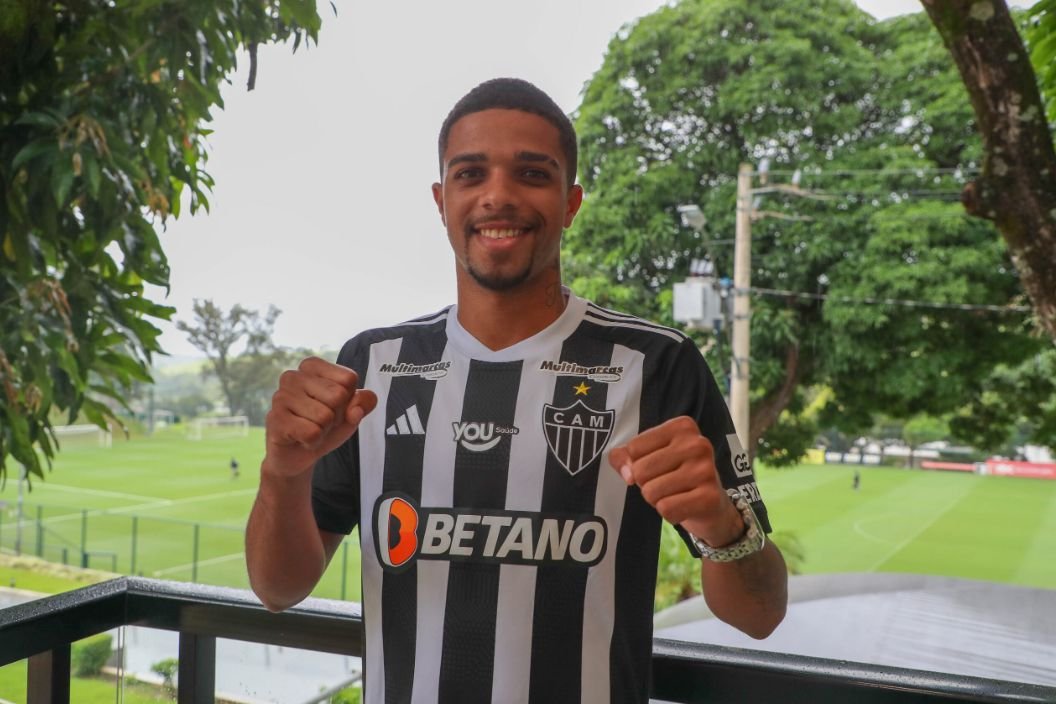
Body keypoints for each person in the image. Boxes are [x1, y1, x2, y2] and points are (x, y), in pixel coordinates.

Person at [245, 78, 787, 704]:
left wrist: (722, 526)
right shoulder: (374, 365)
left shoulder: (657, 364)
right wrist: (282, 472)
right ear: (441, 198)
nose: (498, 195)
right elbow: (278, 588)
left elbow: (760, 614)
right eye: (471, 174)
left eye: (531, 173)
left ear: (570, 201)